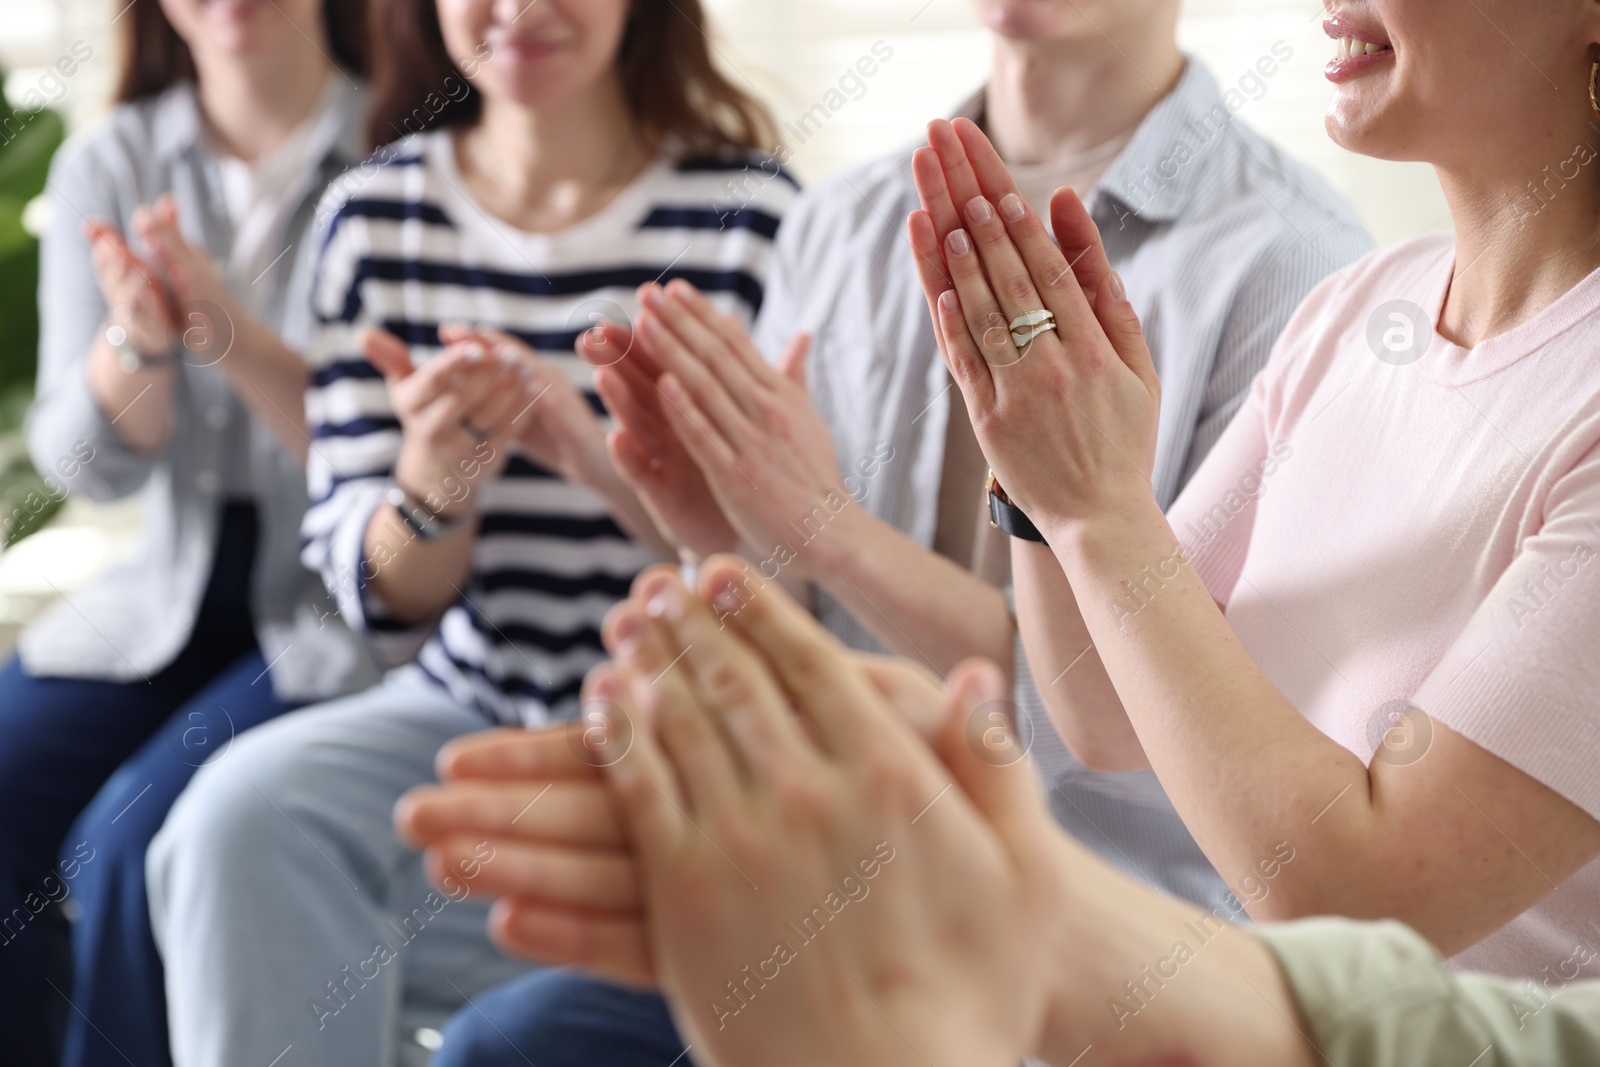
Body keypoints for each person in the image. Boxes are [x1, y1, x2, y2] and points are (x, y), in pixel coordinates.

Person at [426, 0, 1370, 1060]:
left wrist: (823, 532)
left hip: (1113, 941)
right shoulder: (839, 223)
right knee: (502, 1044)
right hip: (839, 887)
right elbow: (808, 628)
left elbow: (1155, 727)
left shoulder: (1296, 268)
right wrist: (725, 532)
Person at [143, 0, 795, 1064]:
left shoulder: (748, 215)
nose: (523, 10)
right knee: (235, 824)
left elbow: (781, 565)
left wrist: (590, 448)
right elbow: (379, 589)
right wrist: (433, 489)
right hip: (469, 700)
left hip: (690, 730)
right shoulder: (378, 215)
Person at [912, 0, 1600, 981]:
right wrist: (1035, 449)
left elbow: (1363, 896)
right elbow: (1105, 710)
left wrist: (1098, 505)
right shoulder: (1358, 309)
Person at [400, 559, 1600, 1067]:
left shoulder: (1273, 242)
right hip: (1205, 940)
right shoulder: (1359, 306)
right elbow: (1091, 702)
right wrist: (1033, 908)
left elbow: (1349, 879)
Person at [0, 0, 374, 1063]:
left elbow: (394, 461)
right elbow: (90, 469)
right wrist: (136, 346)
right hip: (161, 596)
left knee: (131, 841)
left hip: (337, 605)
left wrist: (230, 336)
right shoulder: (110, 159)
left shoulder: (405, 148)